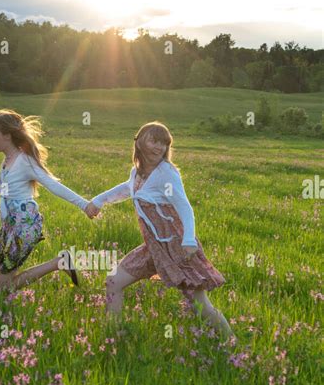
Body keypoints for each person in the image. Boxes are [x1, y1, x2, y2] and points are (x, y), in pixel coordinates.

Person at [84, 121, 234, 337]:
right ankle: (112, 336)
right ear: (139, 143)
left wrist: (189, 241)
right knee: (113, 282)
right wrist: (97, 201)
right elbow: (126, 189)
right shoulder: (136, 173)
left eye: (164, 144)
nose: (159, 148)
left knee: (199, 305)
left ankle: (232, 343)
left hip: (176, 248)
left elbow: (184, 206)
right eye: (154, 141)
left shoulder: (166, 173)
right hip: (152, 248)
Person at [0, 109, 89, 292]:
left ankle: (60, 263)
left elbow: (53, 185)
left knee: (3, 288)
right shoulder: (7, 160)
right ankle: (60, 263)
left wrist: (84, 204)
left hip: (25, 225)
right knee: (3, 285)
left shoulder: (25, 161)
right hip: (13, 226)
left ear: (7, 135)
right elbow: (6, 195)